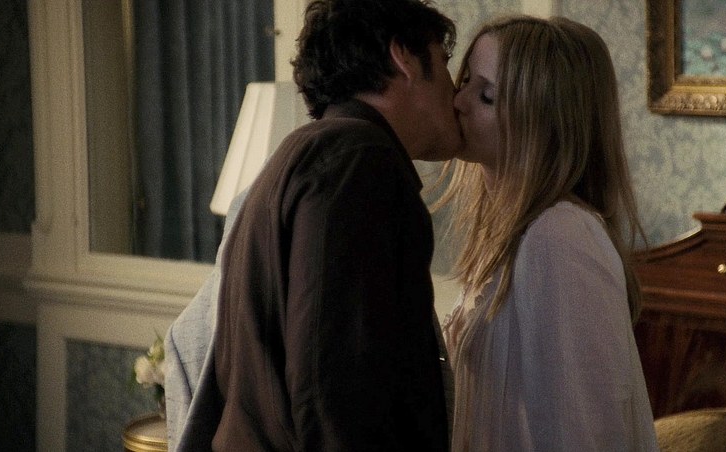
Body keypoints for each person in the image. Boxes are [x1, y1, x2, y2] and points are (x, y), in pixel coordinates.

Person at [164, 0, 461, 450]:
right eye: (443, 63)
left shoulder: (308, 152)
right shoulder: (357, 160)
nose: (454, 92)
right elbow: (333, 387)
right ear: (403, 56)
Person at [437, 15, 659, 451]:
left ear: (540, 122)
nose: (458, 101)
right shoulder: (509, 234)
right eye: (464, 82)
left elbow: (585, 430)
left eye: (486, 95)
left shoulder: (559, 237)